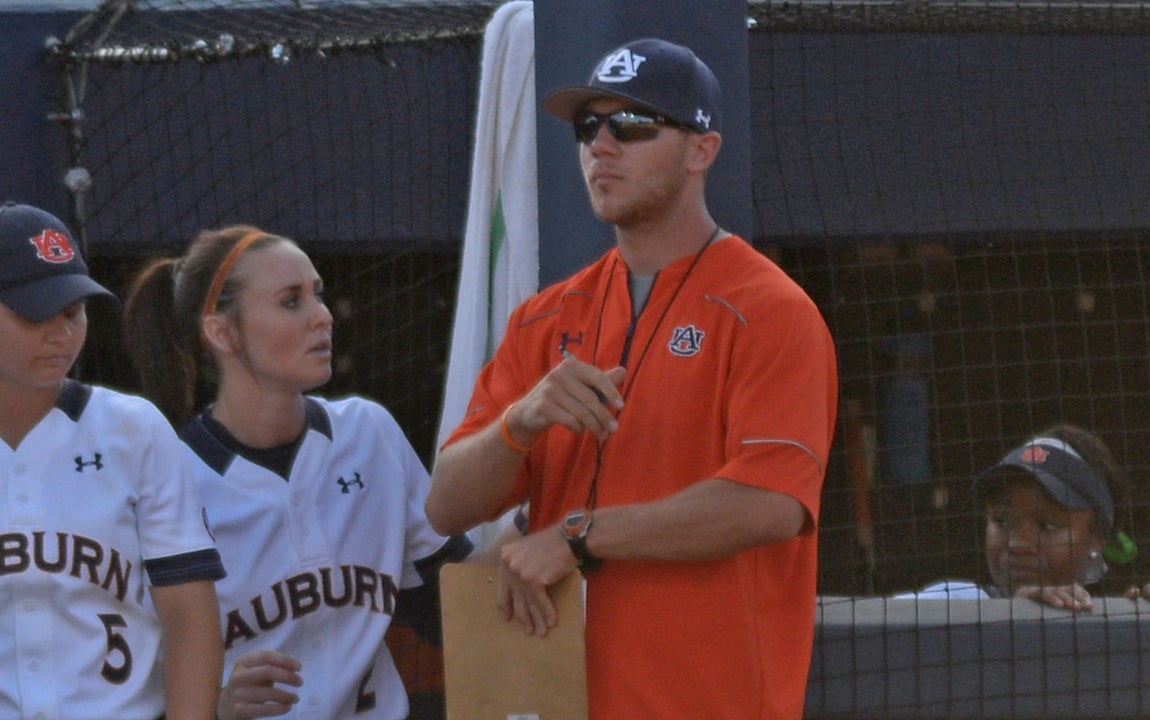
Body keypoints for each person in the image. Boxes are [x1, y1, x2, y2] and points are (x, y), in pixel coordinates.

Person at [426, 38, 839, 720]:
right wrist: (520, 421)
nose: (602, 146)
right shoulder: (546, 316)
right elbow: (446, 505)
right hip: (565, 699)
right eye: (589, 127)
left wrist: (578, 535)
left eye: (634, 125)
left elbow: (770, 503)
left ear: (701, 149)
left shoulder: (771, 310)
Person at [122, 225, 472, 720]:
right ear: (220, 331)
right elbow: (119, 680)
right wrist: (213, 708)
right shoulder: (167, 481)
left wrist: (546, 530)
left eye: (318, 295)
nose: (322, 317)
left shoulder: (369, 434)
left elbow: (451, 603)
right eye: (291, 301)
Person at [0, 202, 224, 719]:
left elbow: (189, 615)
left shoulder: (133, 429)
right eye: (34, 312)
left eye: (72, 311)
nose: (61, 332)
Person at [908, 423, 1150, 611]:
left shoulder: (1119, 621)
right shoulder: (951, 602)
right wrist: (1011, 618)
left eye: (1046, 526)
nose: (1018, 544)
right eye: (1001, 521)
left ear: (1097, 537)